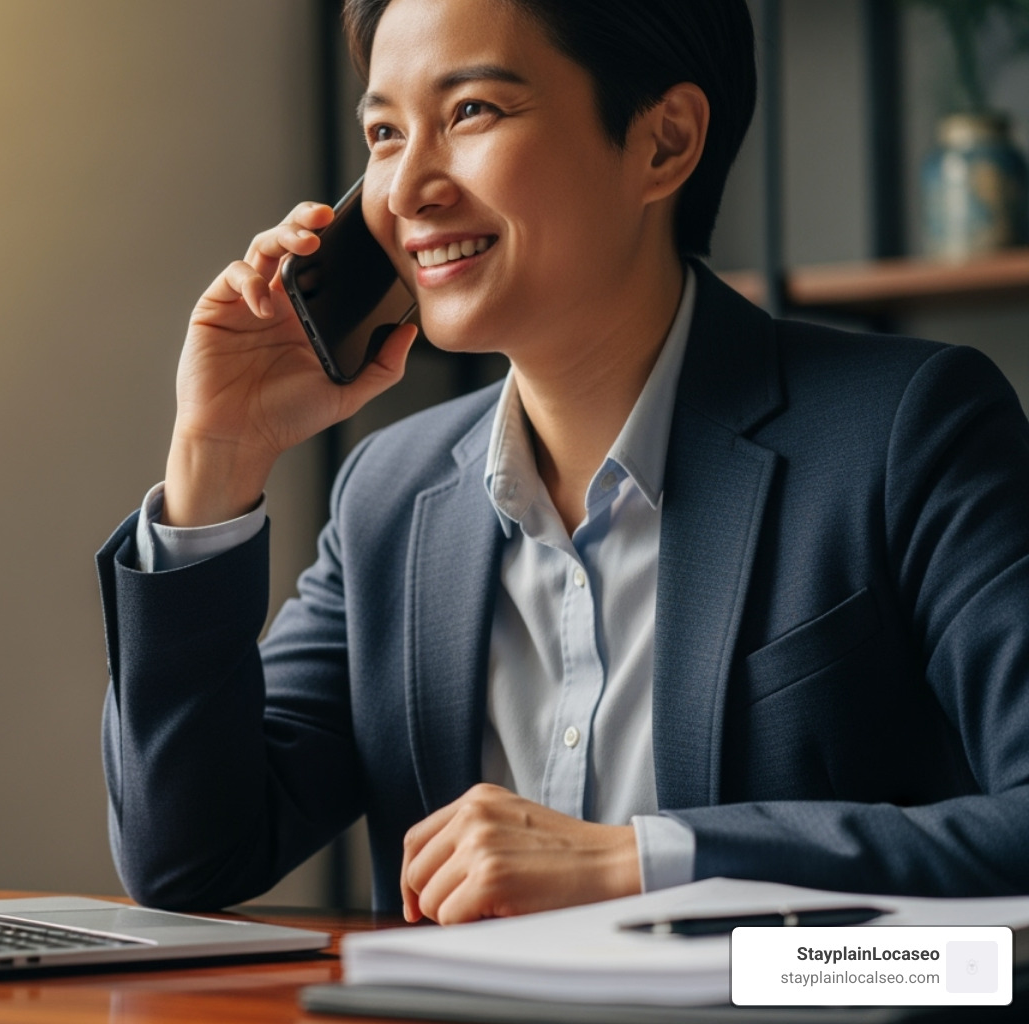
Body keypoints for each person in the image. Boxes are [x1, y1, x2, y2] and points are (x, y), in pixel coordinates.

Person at [95, 0, 1029, 924]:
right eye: (383, 132)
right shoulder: (391, 492)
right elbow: (188, 858)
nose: (407, 187)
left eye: (471, 113)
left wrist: (645, 863)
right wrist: (213, 458)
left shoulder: (909, 429)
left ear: (664, 142)